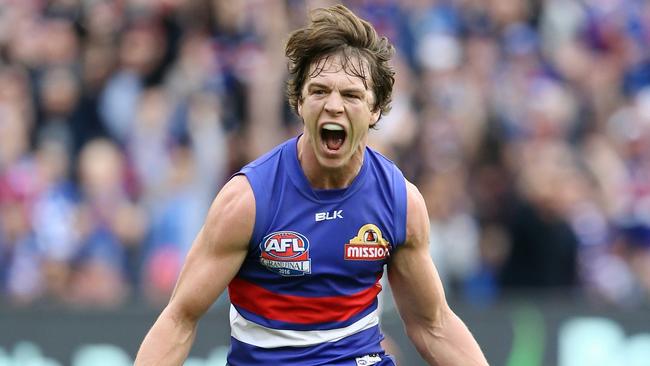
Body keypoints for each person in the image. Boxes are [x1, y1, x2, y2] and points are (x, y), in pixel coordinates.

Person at [135, 4, 488, 366]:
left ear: (376, 110)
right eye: (319, 91)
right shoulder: (248, 200)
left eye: (351, 95)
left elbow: (434, 326)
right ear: (299, 101)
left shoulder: (400, 202)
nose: (334, 105)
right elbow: (179, 319)